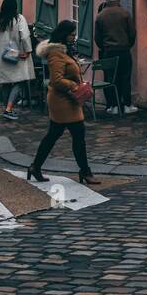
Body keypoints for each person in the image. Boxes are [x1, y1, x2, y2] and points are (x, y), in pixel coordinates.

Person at [29, 19, 97, 185]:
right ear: (64, 35)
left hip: (69, 100)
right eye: (72, 34)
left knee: (55, 135)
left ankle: (36, 167)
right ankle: (85, 172)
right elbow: (57, 80)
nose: (74, 37)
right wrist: (75, 85)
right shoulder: (55, 54)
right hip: (62, 101)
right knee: (75, 136)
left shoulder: (64, 51)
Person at [94, 0, 137, 114]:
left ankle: (113, 106)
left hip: (109, 51)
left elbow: (97, 37)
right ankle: (127, 105)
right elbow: (132, 33)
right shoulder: (125, 13)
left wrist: (104, 46)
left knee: (110, 78)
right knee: (125, 77)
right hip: (124, 50)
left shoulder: (101, 15)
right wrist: (128, 44)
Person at [0, 0, 34, 124]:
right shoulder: (19, 19)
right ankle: (9, 109)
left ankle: (7, 108)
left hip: (3, 55)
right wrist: (27, 51)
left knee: (6, 83)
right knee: (20, 81)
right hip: (17, 55)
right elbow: (25, 36)